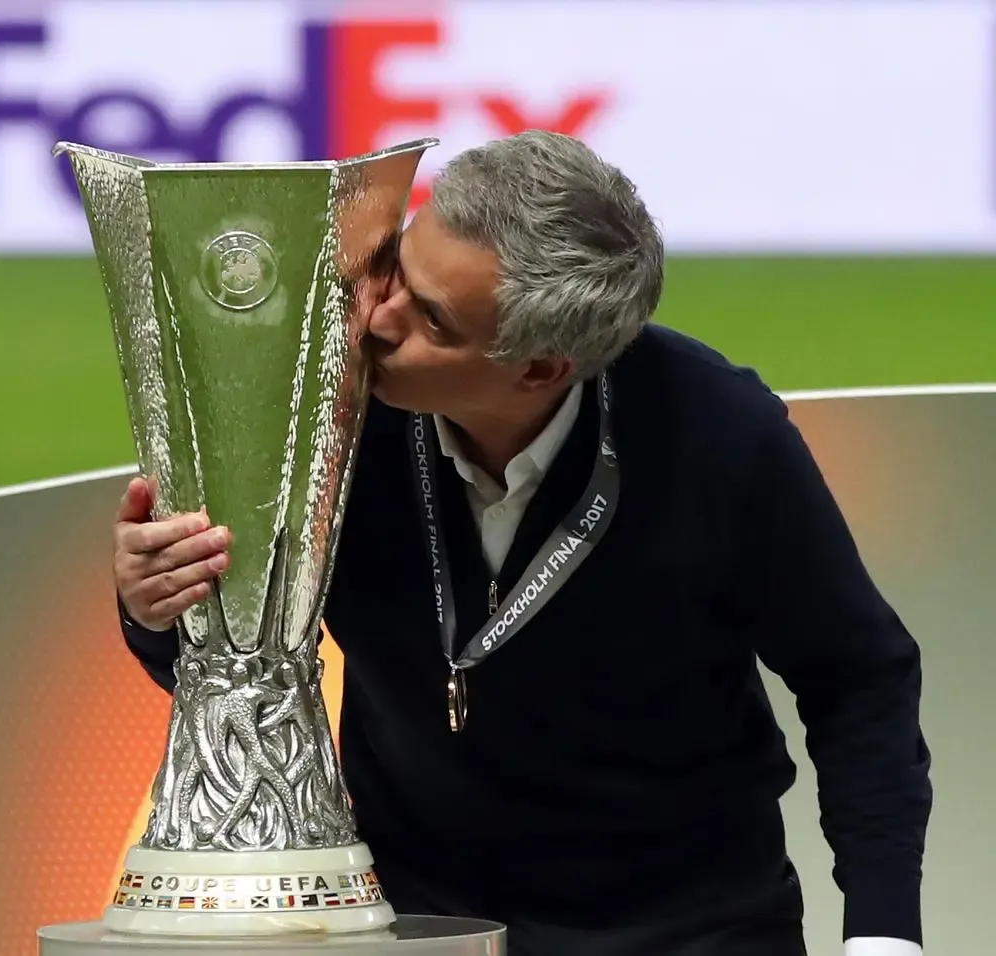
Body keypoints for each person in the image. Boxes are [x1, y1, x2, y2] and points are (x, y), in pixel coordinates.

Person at [111, 130, 932, 956]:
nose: (377, 321)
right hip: (418, 925)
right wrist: (160, 607)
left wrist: (884, 933)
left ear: (540, 368)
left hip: (686, 928)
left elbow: (858, 679)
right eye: (396, 267)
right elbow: (252, 674)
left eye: (432, 318)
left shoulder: (721, 436)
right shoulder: (325, 414)